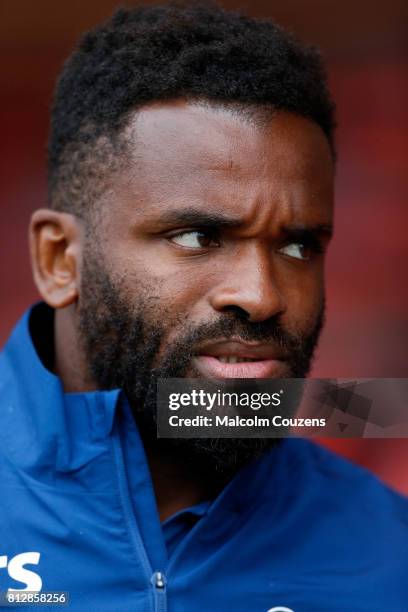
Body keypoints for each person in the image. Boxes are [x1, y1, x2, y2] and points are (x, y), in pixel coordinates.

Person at [0, 3, 406, 610]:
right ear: (60, 259)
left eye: (297, 246)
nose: (262, 296)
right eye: (197, 237)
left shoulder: (389, 555)